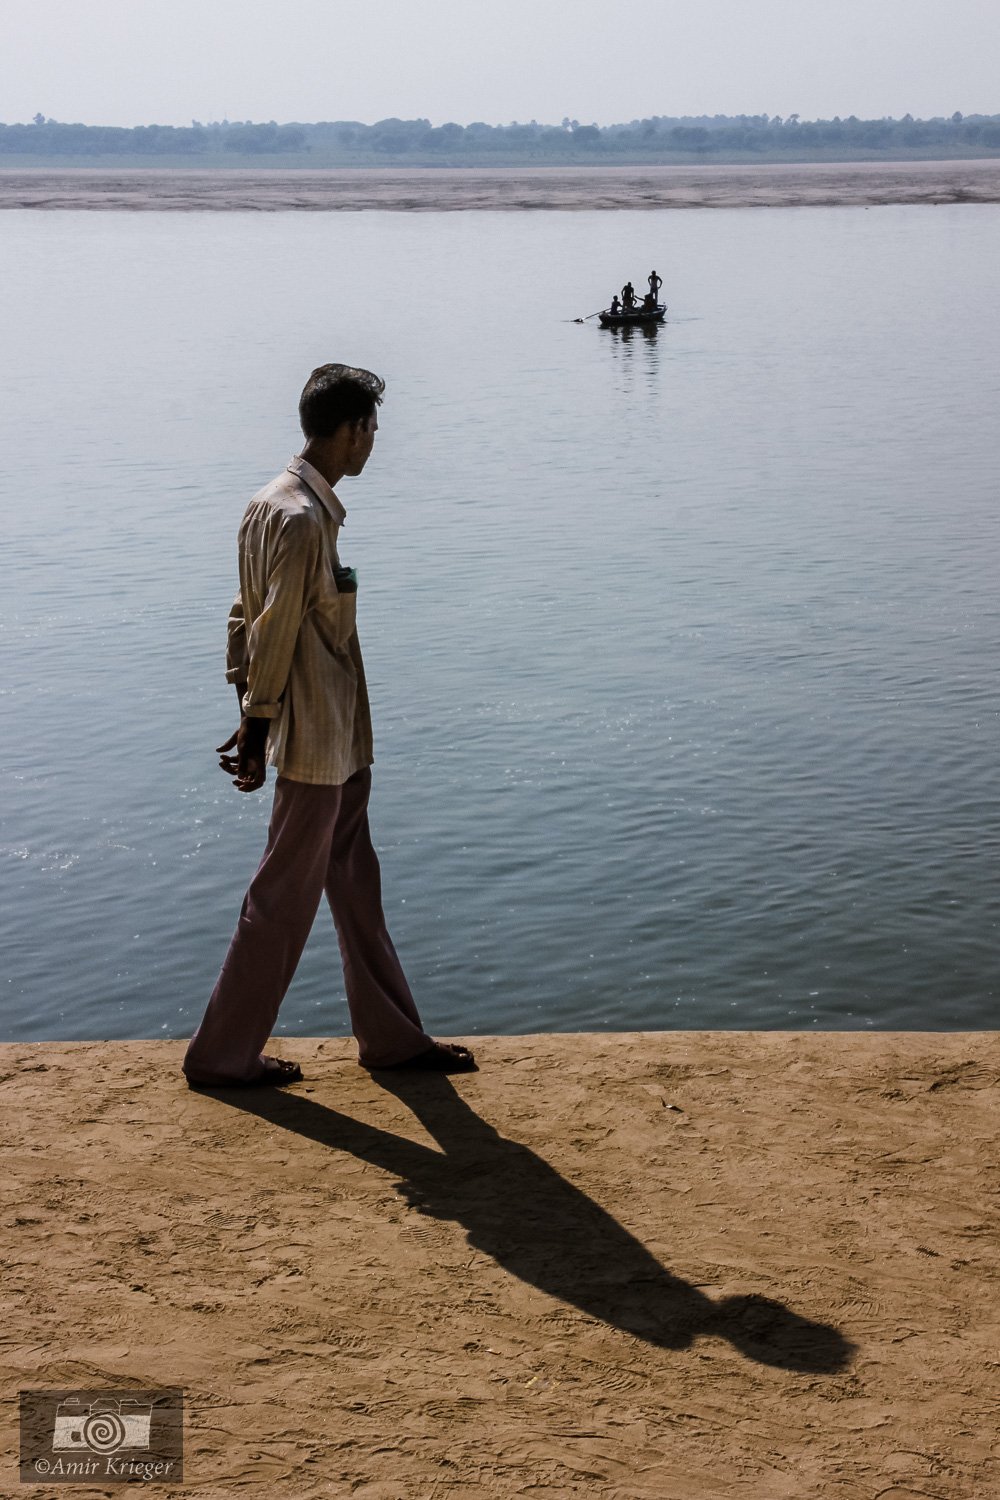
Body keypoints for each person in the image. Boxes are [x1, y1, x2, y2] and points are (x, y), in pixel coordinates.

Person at [182, 363, 477, 1088]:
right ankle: (221, 1055)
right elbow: (274, 629)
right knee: (283, 896)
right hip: (314, 741)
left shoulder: (270, 503)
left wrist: (249, 708)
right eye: (371, 429)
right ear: (348, 430)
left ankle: (391, 1038)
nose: (373, 443)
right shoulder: (300, 518)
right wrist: (257, 727)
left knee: (355, 881)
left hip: (336, 740)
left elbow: (240, 615)